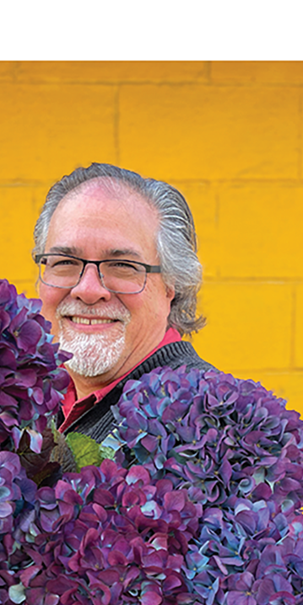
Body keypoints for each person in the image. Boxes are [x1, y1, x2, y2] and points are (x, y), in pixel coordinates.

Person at [32, 162, 216, 442]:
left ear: (171, 285)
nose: (88, 289)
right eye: (65, 262)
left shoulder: (207, 424)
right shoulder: (27, 401)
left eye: (121, 265)